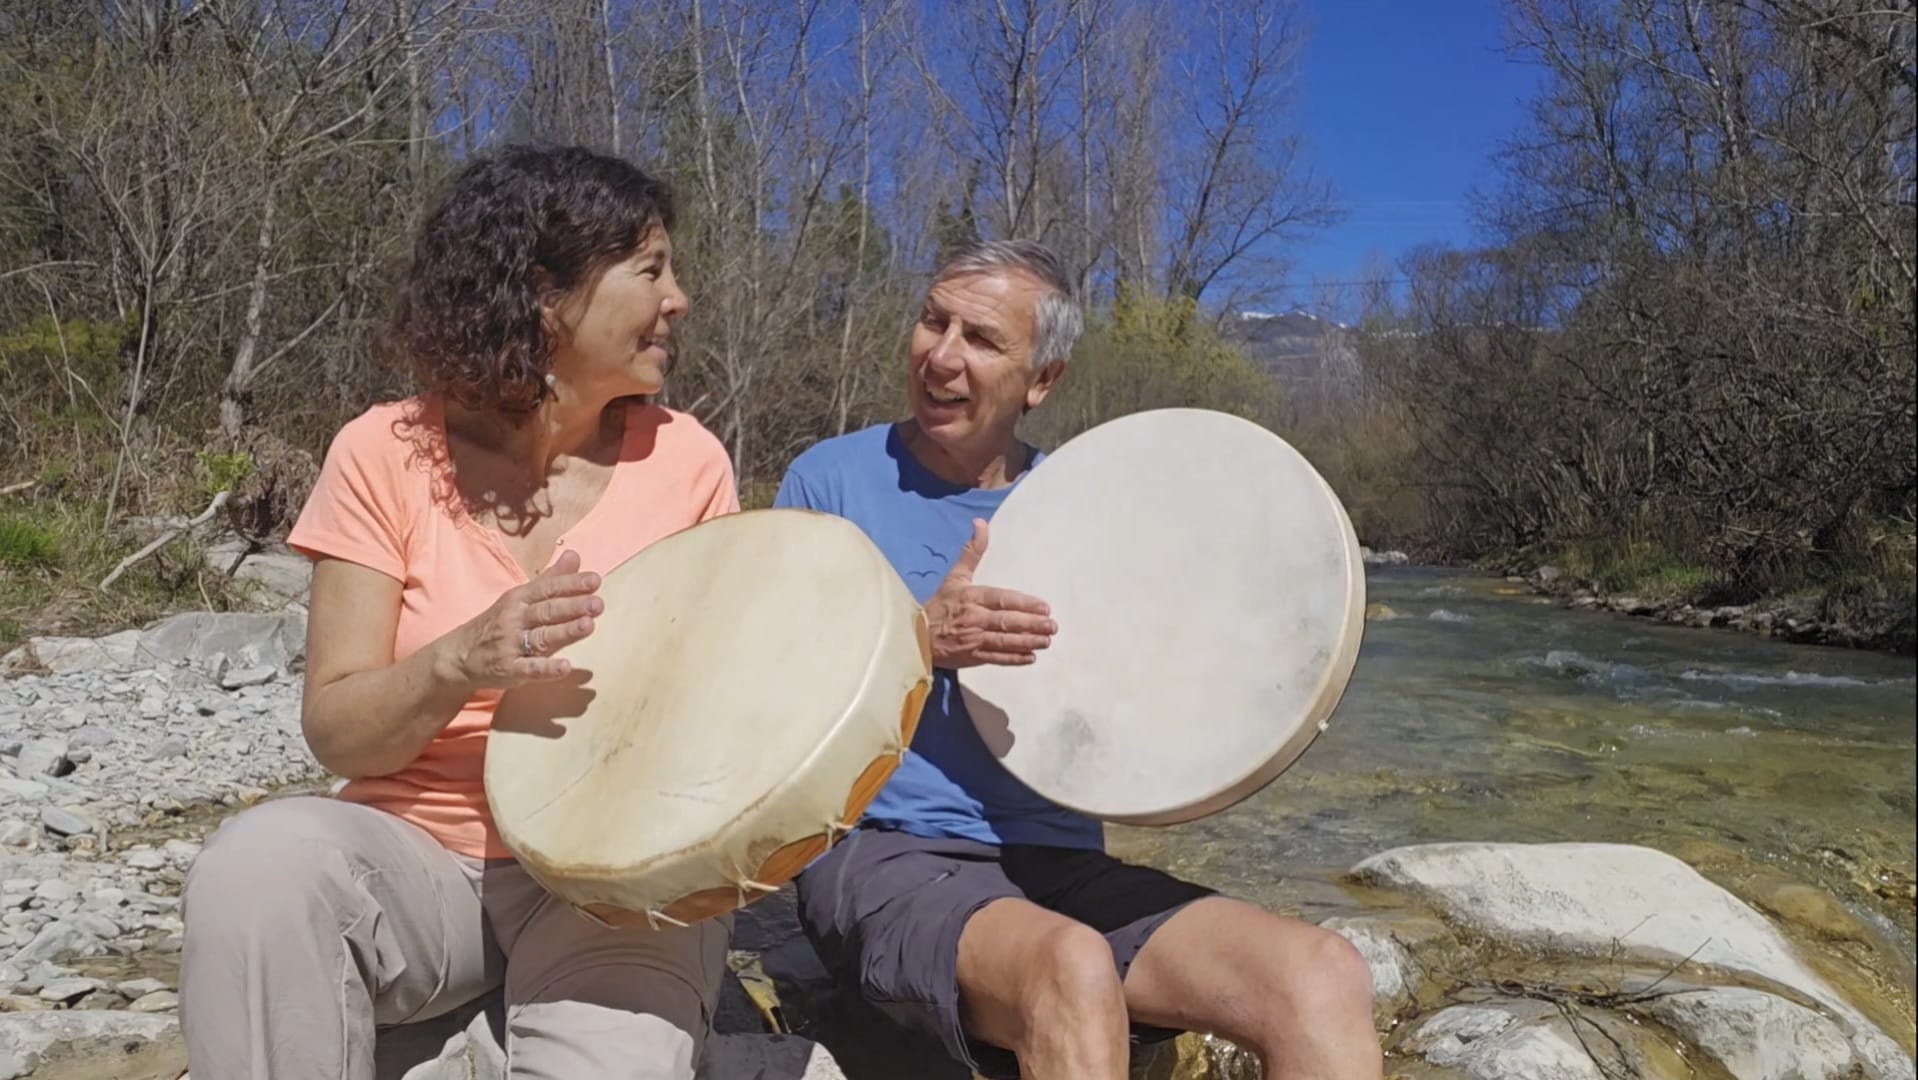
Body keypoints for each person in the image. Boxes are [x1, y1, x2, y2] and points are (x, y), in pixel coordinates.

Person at [179, 145, 739, 1079]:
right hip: (421, 862)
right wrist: (459, 661)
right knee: (256, 867)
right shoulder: (382, 452)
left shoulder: (690, 462)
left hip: (614, 874)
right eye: (651, 271)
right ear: (546, 294)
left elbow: (723, 719)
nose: (678, 299)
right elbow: (339, 733)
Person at [772, 239, 1383, 1079]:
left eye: (981, 339)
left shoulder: (1091, 505)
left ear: (1043, 380)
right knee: (1071, 967)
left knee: (1322, 976)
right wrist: (916, 639)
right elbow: (770, 700)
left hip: (1058, 864)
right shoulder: (829, 484)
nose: (941, 355)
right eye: (933, 321)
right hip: (886, 855)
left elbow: (1149, 701)